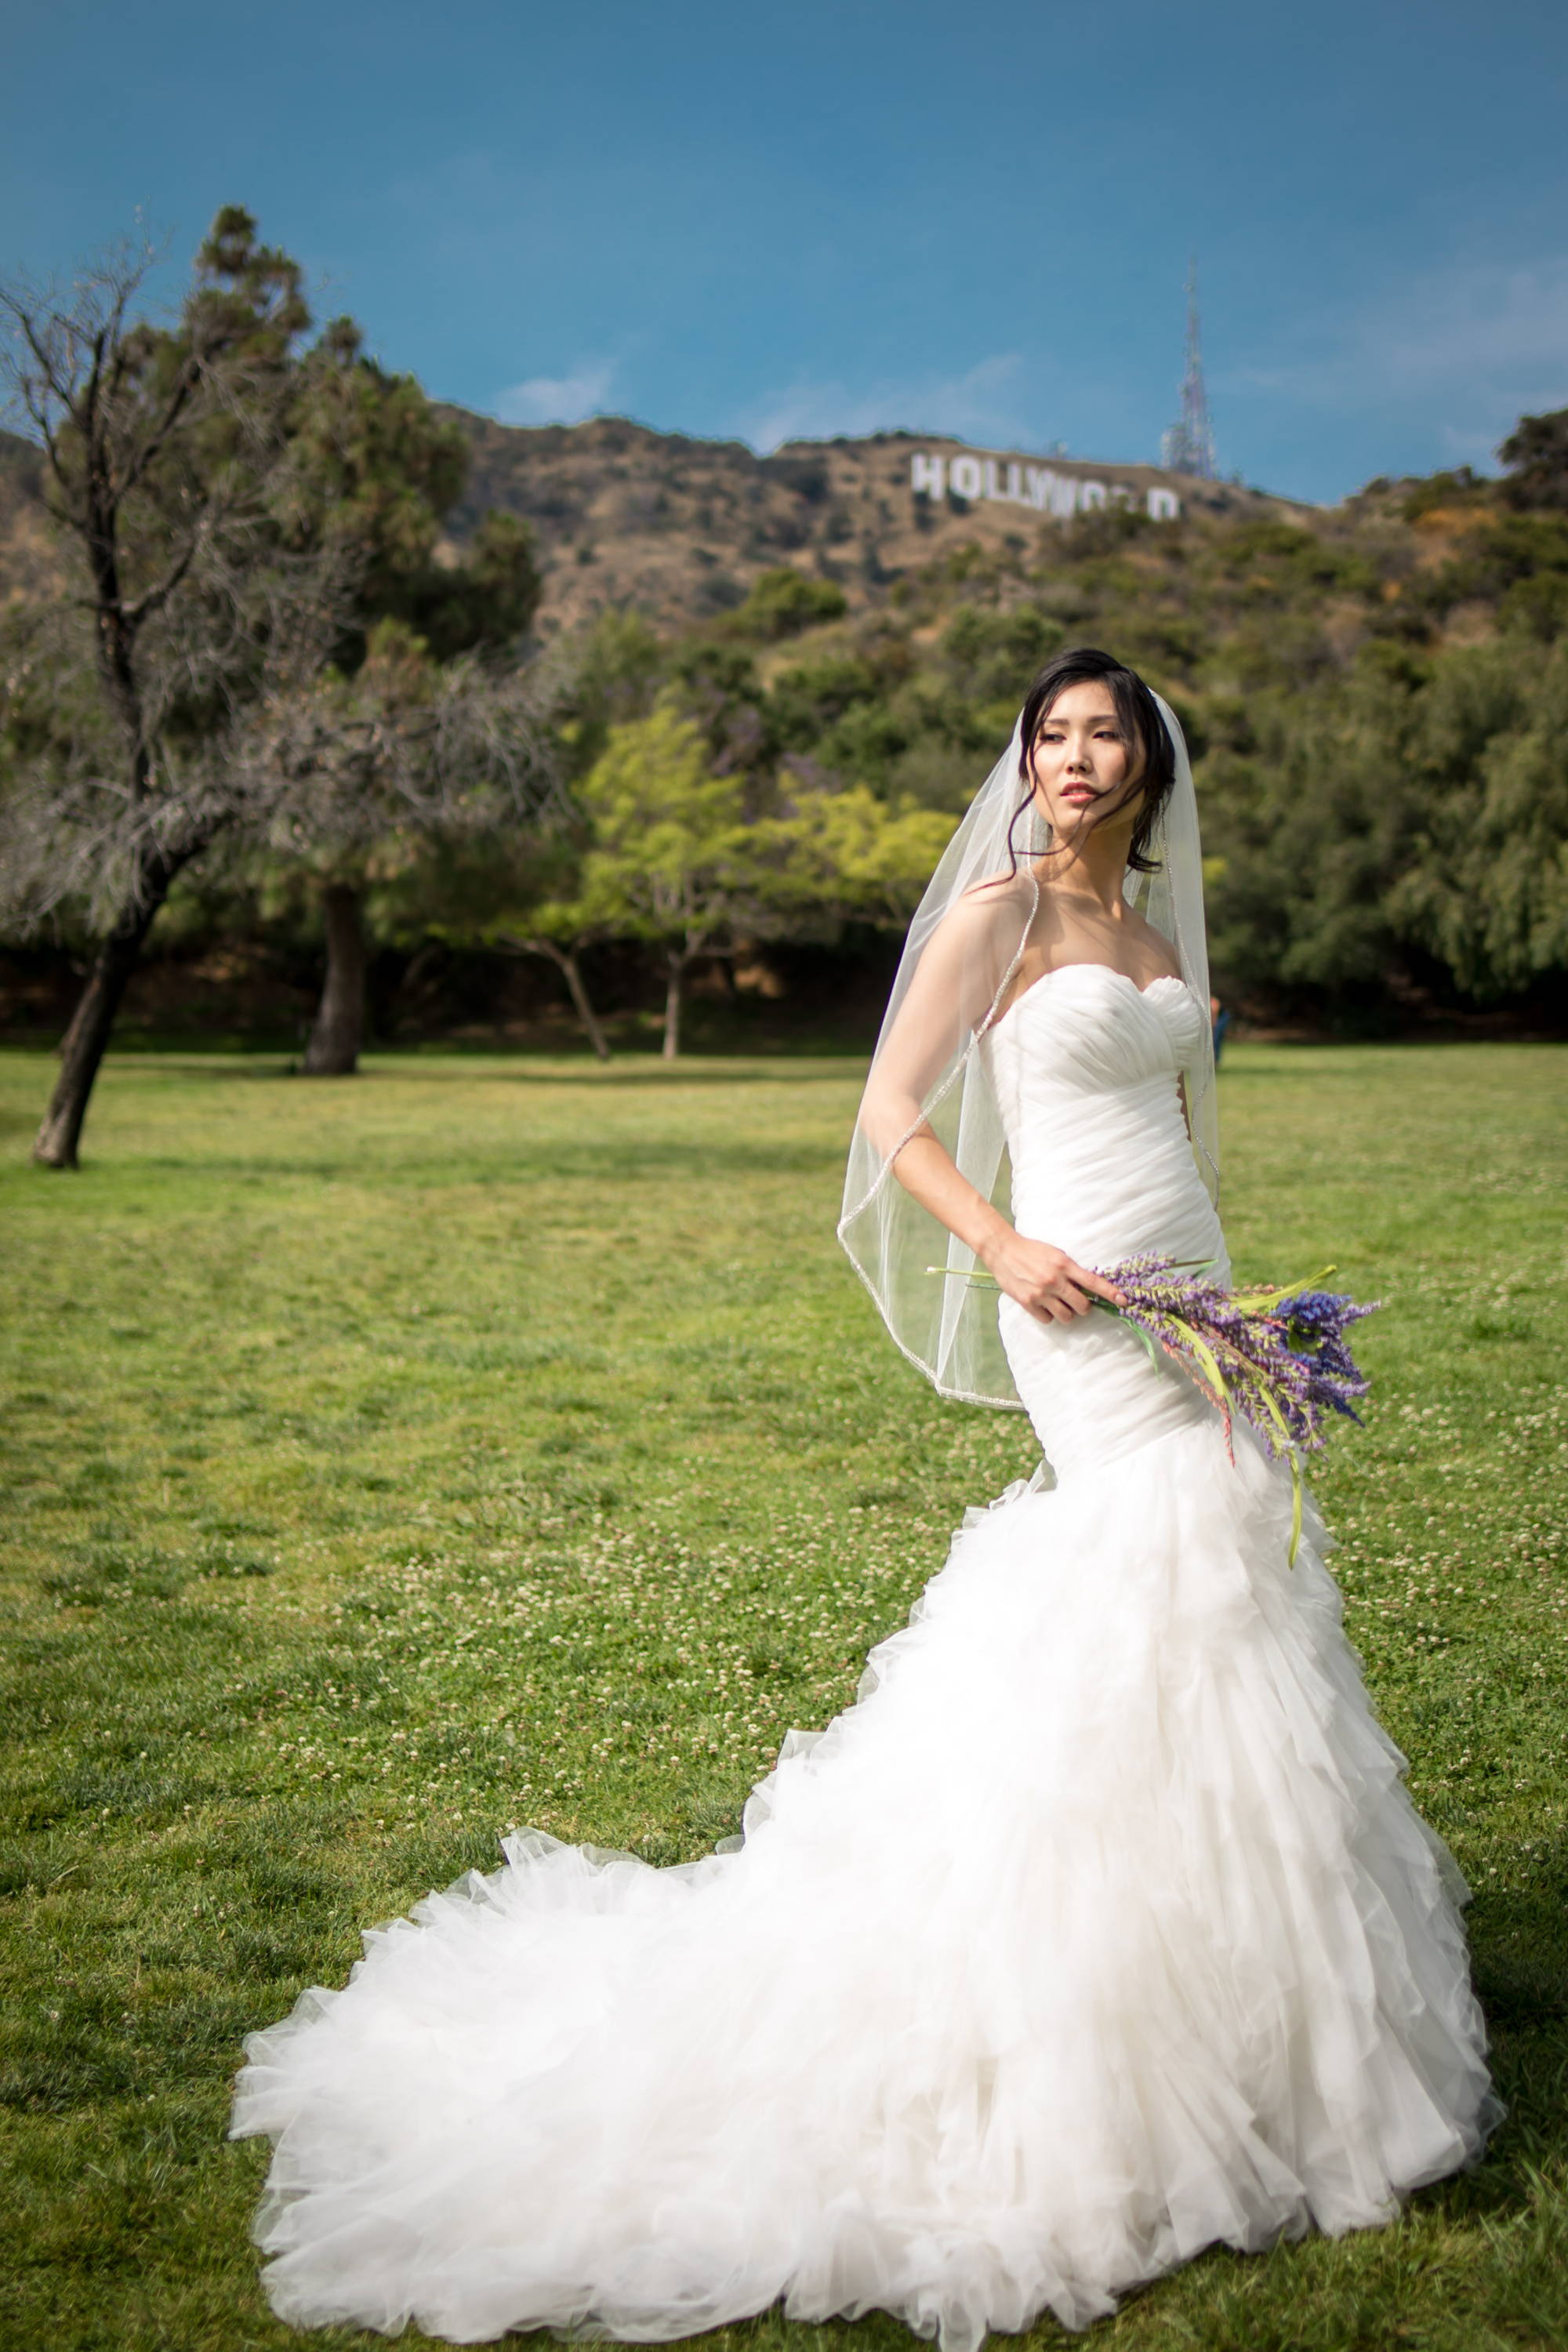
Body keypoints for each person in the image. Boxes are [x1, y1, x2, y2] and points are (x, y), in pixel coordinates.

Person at [233, 649, 1497, 2350]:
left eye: (1099, 732)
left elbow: (1186, 1137)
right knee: (1153, 1570)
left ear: (1150, 762)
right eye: (1046, 734)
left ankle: (1250, 2017)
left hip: (1192, 1307)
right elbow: (889, 1111)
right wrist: (1002, 1247)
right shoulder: (1002, 915)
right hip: (1065, 1302)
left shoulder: (1161, 938)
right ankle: (1048, 2005)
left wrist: (1235, 1315)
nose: (1069, 757)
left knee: (1228, 1598)